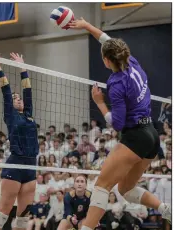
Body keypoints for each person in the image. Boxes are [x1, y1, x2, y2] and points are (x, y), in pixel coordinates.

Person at [68, 18, 171, 229]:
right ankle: (167, 210)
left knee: (102, 186)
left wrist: (100, 103)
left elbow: (117, 124)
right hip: (151, 134)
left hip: (135, 137)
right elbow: (107, 41)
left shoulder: (115, 84)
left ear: (106, 61)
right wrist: (87, 26)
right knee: (125, 189)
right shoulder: (132, 62)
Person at [0, 49, 39, 230]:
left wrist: (23, 69)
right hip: (15, 164)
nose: (18, 99)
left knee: (23, 216)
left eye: (19, 98)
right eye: (15, 98)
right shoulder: (10, 115)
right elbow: (6, 91)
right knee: (4, 212)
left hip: (31, 165)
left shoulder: (29, 114)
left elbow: (28, 91)